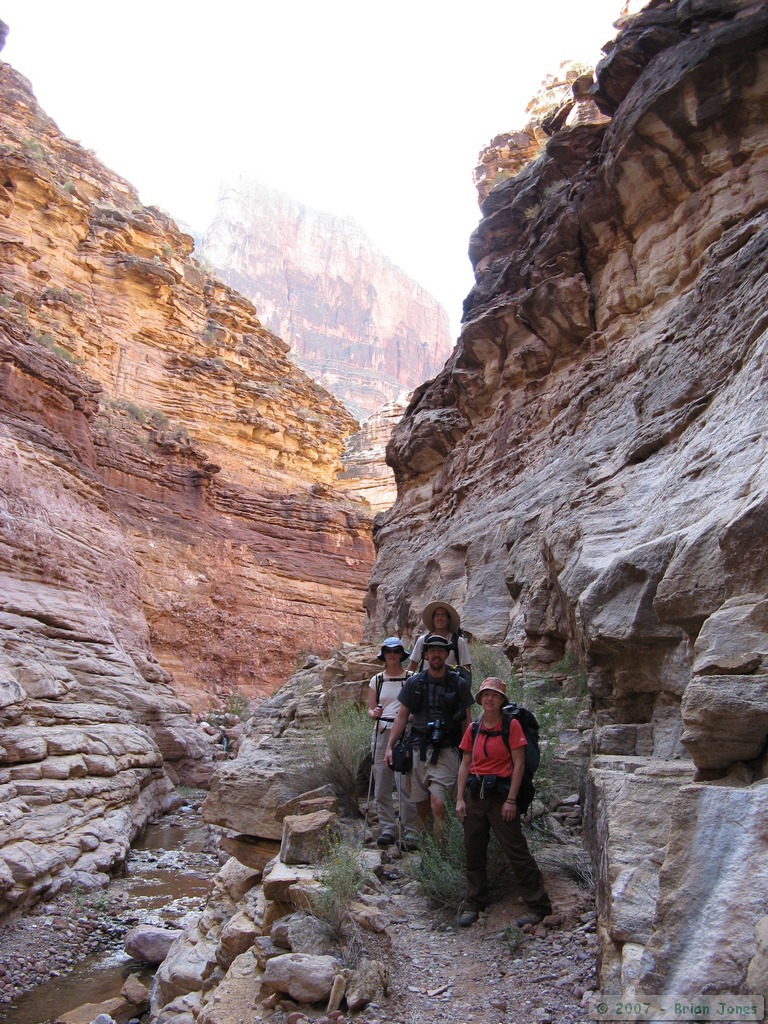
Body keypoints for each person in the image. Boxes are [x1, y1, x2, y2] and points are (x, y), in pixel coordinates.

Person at [455, 676, 552, 927]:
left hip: (501, 796)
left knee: (516, 850)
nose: (490, 699)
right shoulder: (474, 728)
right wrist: (459, 800)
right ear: (480, 699)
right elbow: (465, 765)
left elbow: (519, 764)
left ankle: (538, 905)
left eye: (495, 695)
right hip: (475, 795)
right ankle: (475, 902)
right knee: (473, 849)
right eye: (486, 695)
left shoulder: (512, 726)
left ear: (501, 701)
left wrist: (511, 800)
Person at [385, 633, 474, 836]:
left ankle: (441, 856)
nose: (436, 654)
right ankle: (427, 857)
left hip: (447, 749)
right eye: (432, 650)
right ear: (425, 655)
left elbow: (466, 721)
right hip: (418, 749)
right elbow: (401, 717)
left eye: (440, 651)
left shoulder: (459, 684)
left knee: (439, 805)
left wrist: (469, 753)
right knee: (422, 808)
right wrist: (390, 746)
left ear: (446, 654)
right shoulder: (414, 683)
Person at [368, 637, 419, 850]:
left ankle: (410, 830)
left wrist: (408, 717)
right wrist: (375, 713)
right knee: (381, 783)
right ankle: (388, 828)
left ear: (401, 654)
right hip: (381, 732)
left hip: (404, 734)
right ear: (384, 655)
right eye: (388, 651)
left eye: (396, 651)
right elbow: (370, 710)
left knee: (404, 784)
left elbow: (418, 709)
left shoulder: (412, 678)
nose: (392, 655)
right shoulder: (377, 680)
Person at [408, 601, 472, 678]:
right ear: (433, 619)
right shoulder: (422, 641)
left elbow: (466, 668)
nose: (440, 618)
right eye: (437, 615)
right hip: (425, 687)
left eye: (443, 615)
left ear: (448, 619)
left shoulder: (458, 642)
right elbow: (412, 666)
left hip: (450, 687)